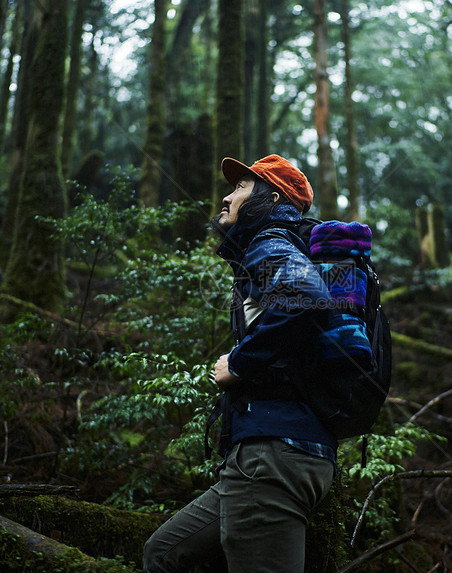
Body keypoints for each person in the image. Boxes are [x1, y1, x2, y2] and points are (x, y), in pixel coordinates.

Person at [142, 155, 337, 573]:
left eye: (241, 188)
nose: (228, 197)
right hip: (279, 452)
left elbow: (307, 299)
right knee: (163, 554)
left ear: (271, 198)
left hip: (272, 455)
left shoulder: (270, 242)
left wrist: (240, 363)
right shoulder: (285, 246)